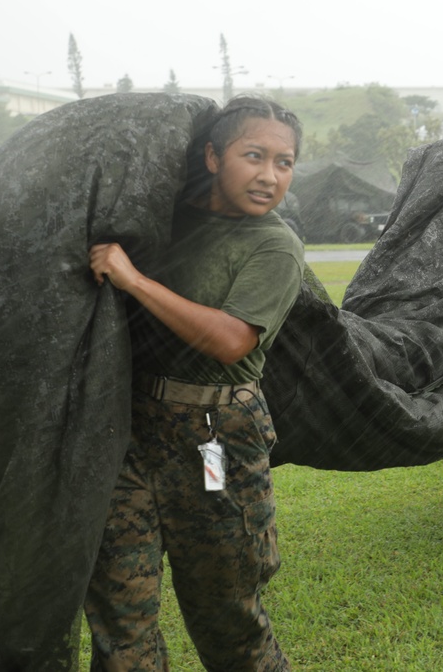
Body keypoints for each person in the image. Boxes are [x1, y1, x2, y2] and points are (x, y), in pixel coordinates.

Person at [84, 96, 305, 671]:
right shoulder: (163, 220)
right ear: (212, 156)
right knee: (118, 616)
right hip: (129, 435)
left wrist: (133, 280)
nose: (268, 176)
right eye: (253, 155)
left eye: (284, 163)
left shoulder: (275, 246)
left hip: (217, 441)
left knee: (225, 613)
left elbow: (231, 340)